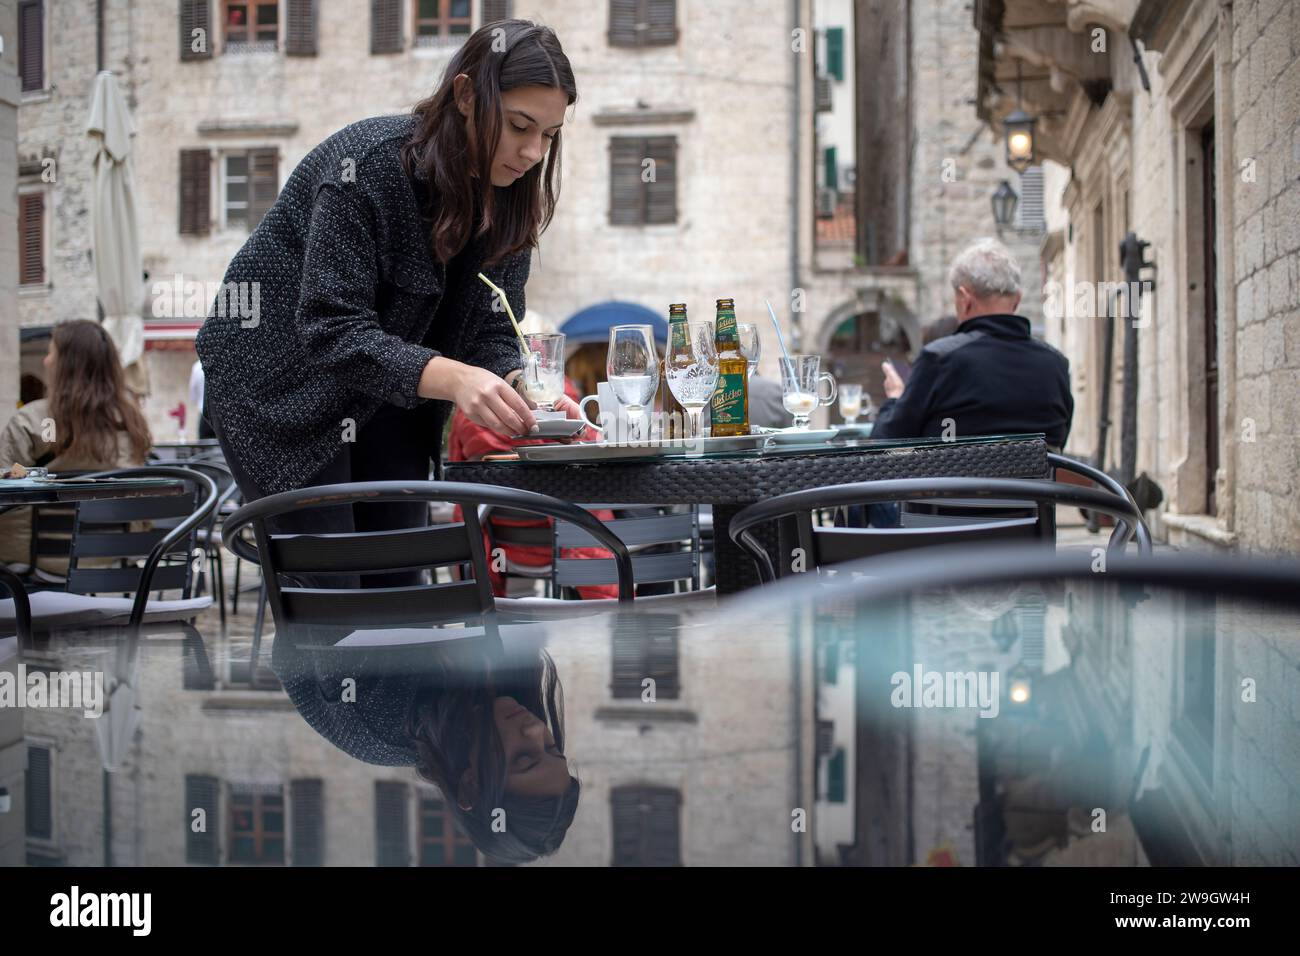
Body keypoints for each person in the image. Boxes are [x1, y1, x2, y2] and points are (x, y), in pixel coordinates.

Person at [195, 20, 581, 588]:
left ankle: (398, 676)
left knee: (401, 582)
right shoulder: (368, 167)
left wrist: (520, 384)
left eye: (548, 135)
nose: (531, 152)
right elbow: (331, 329)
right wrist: (454, 378)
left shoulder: (511, 201)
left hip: (390, 392)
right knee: (332, 599)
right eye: (520, 125)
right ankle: (332, 673)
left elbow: (494, 331)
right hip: (277, 384)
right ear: (467, 96)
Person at [273, 631, 580, 866]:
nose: (536, 729)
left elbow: (321, 583)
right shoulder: (489, 701)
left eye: (524, 757)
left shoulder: (379, 711)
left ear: (470, 784)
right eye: (551, 747)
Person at [875, 237, 1073, 450]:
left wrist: (895, 398)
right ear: (1017, 299)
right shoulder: (1056, 365)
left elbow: (886, 442)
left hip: (959, 484)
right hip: (1040, 482)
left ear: (964, 299)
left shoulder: (939, 360)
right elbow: (1058, 441)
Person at [0, 320, 152, 575]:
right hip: (111, 557)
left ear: (66, 365)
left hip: (32, 560)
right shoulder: (132, 424)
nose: (46, 361)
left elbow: (5, 490)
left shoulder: (30, 421)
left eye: (51, 353)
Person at [448, 377, 617, 600]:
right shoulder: (556, 390)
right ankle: (643, 619)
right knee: (644, 522)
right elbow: (586, 444)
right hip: (568, 545)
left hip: (498, 551)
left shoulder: (468, 406)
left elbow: (456, 482)